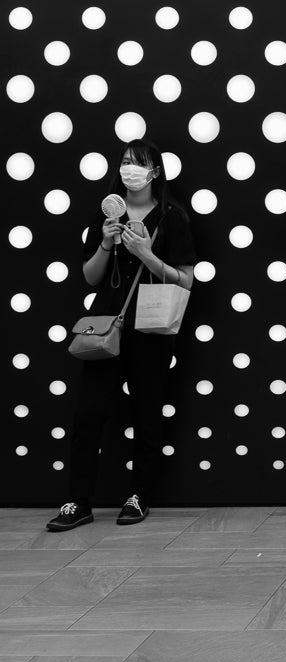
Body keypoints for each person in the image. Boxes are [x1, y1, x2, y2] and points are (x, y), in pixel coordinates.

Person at [47, 138, 196, 531]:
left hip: (151, 329)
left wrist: (147, 254)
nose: (130, 169)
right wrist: (105, 241)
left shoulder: (172, 217)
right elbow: (90, 277)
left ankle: (138, 496)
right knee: (88, 415)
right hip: (107, 327)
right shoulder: (105, 213)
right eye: (126, 162)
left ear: (155, 172)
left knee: (148, 412)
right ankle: (77, 501)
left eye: (139, 163)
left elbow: (186, 281)